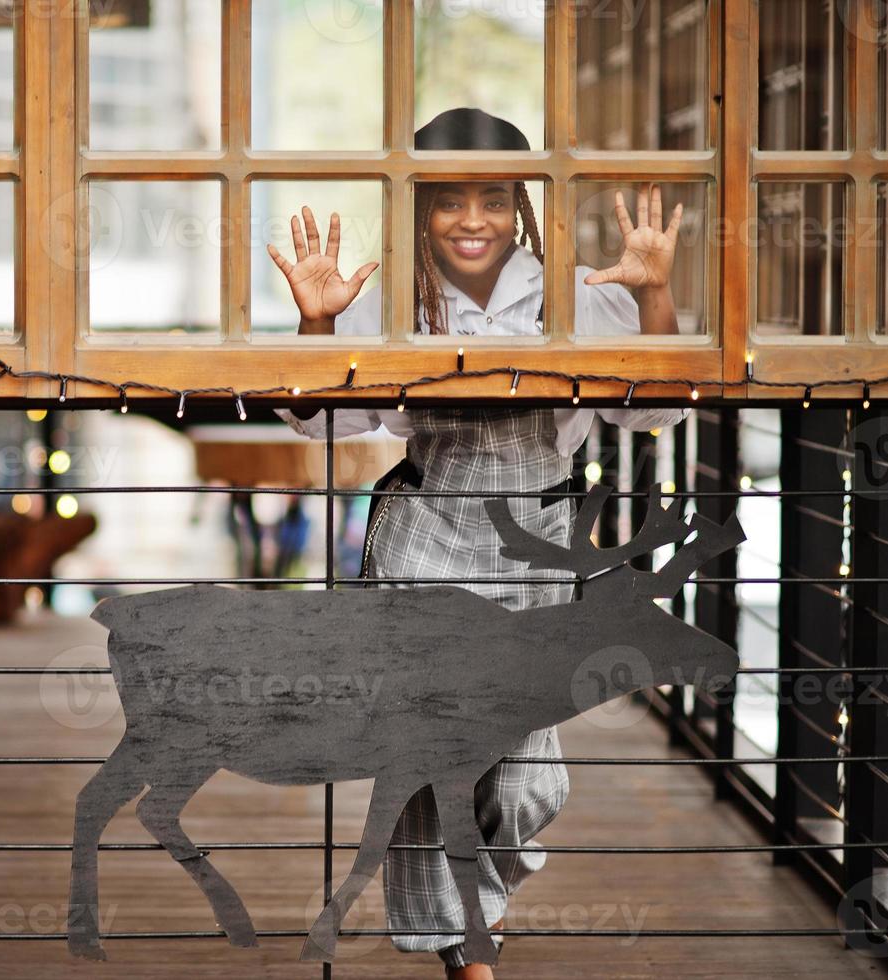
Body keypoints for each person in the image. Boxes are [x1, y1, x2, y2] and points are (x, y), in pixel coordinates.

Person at [265, 107, 691, 979]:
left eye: (492, 199)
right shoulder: (388, 300)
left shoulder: (582, 293)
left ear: (523, 204)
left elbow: (658, 410)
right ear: (416, 208)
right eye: (446, 200)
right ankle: (469, 951)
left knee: (529, 784)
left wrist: (652, 295)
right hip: (425, 541)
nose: (470, 219)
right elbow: (322, 423)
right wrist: (316, 326)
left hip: (537, 547)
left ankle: (465, 921)